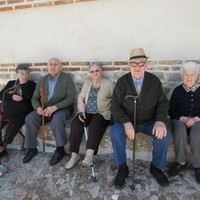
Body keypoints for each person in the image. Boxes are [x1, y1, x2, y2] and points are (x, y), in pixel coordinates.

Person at [110, 48, 171, 188]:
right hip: (128, 121)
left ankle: (156, 167)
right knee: (115, 133)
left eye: (141, 63)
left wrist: (161, 121)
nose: (137, 67)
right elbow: (115, 106)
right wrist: (126, 123)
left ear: (146, 64)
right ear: (129, 65)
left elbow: (163, 102)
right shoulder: (122, 82)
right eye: (134, 64)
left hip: (150, 122)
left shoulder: (154, 81)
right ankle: (122, 167)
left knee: (164, 135)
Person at [23, 58, 76, 165]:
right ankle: (31, 148)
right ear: (47, 67)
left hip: (62, 108)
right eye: (50, 64)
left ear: (60, 67)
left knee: (57, 119)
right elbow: (34, 98)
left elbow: (71, 98)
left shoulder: (67, 79)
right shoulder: (43, 80)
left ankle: (60, 150)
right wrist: (38, 108)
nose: (52, 66)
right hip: (45, 108)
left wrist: (55, 107)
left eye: (55, 64)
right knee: (30, 118)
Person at [65, 62, 115, 169]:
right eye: (92, 71)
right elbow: (80, 97)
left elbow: (115, 100)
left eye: (97, 70)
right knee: (76, 123)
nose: (95, 73)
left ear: (101, 71)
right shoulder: (87, 84)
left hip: (101, 113)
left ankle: (88, 156)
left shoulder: (109, 84)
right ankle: (74, 155)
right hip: (86, 111)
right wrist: (81, 109)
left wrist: (111, 112)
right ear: (90, 73)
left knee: (95, 125)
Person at [168, 61, 200, 184]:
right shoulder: (177, 91)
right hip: (180, 119)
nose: (189, 77)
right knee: (180, 131)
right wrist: (183, 118)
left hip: (198, 120)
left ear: (196, 76)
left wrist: (196, 118)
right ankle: (180, 162)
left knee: (197, 132)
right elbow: (171, 110)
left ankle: (198, 166)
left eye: (192, 74)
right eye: (186, 74)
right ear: (182, 76)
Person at [0, 64, 36, 158]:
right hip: (7, 111)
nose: (25, 75)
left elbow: (30, 97)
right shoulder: (11, 83)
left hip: (22, 113)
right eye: (22, 73)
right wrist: (12, 96)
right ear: (17, 75)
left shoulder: (32, 85)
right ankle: (1, 148)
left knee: (13, 124)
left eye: (27, 73)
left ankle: (4, 146)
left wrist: (23, 83)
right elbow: (1, 95)